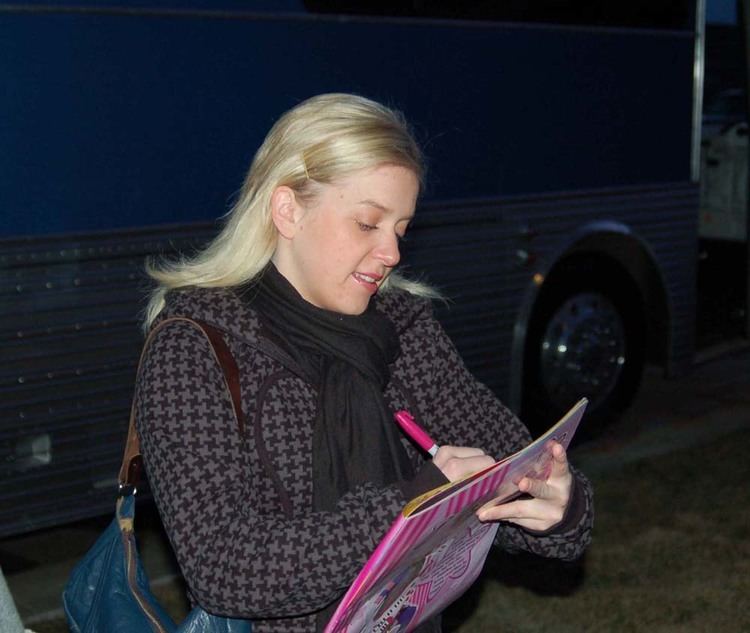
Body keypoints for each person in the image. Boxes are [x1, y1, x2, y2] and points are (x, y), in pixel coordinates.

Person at [136, 93, 593, 633]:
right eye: (368, 224)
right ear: (288, 210)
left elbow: (506, 468)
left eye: (401, 229)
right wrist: (413, 505)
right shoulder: (195, 347)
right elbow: (225, 569)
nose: (393, 254)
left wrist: (555, 504)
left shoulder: (402, 330)